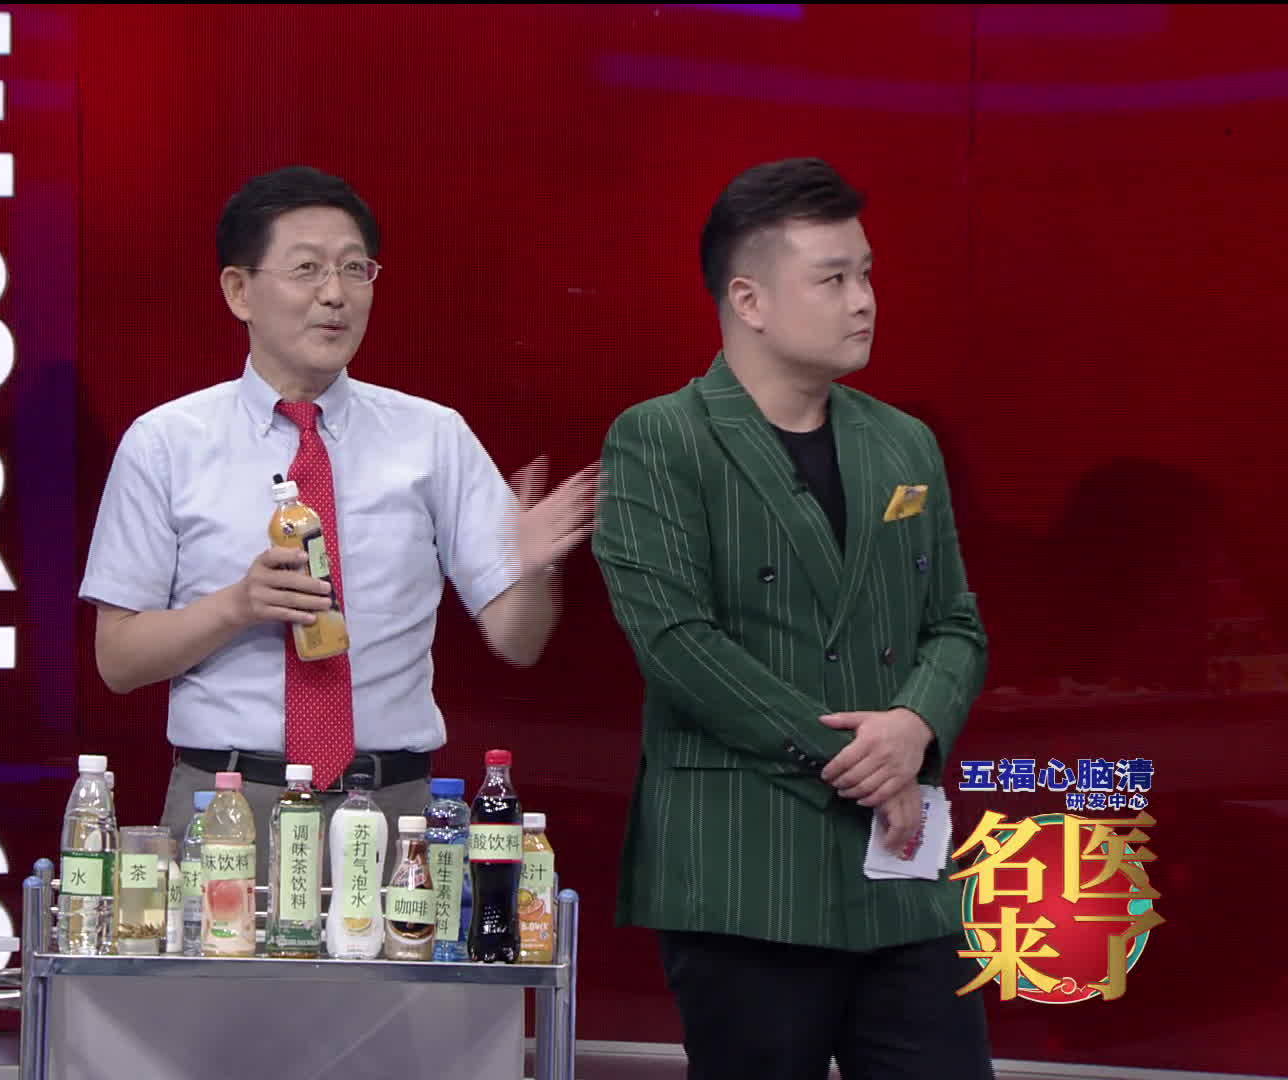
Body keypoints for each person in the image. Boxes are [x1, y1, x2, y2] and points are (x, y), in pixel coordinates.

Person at [592, 157, 994, 1079]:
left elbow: (956, 623)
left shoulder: (903, 442)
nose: (864, 301)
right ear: (750, 300)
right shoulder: (661, 437)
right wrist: (862, 762)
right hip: (747, 864)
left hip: (901, 867)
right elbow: (678, 645)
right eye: (833, 279)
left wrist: (914, 724)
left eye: (867, 274)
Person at [80, 165, 598, 859]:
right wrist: (237, 605)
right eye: (307, 269)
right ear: (239, 291)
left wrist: (533, 574)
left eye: (356, 269)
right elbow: (117, 659)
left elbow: (517, 639)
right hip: (230, 806)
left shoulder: (432, 437)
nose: (335, 294)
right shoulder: (166, 443)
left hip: (396, 812)